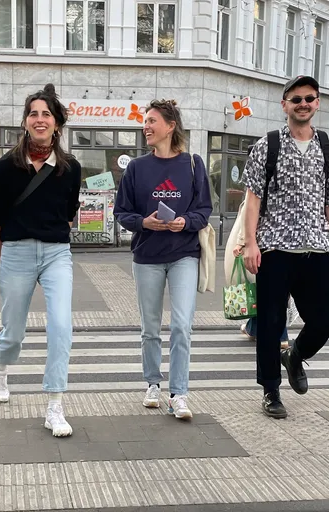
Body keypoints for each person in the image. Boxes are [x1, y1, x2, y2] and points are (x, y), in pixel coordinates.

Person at [239, 75, 329, 419]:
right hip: (274, 249)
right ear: (284, 104)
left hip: (317, 247)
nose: (303, 104)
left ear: (317, 104)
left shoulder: (327, 147)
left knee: (326, 319)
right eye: (296, 99)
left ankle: (296, 355)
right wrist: (251, 243)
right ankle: (271, 390)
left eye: (309, 98)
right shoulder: (267, 145)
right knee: (270, 322)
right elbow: (253, 199)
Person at [0, 84, 82, 437]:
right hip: (17, 252)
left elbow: (69, 213)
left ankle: (55, 406)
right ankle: (0, 366)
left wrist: (50, 235)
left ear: (57, 124)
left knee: (61, 326)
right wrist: (7, 251)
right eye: (33, 114)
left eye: (46, 114)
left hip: (56, 253)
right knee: (14, 330)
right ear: (25, 122)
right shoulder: (7, 166)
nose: (39, 120)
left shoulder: (70, 168)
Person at [113, 99, 212, 420]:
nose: (147, 126)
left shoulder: (193, 165)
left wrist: (186, 222)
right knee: (150, 328)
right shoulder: (137, 169)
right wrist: (145, 222)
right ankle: (153, 384)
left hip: (184, 254)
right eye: (145, 121)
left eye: (152, 121)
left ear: (171, 126)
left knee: (182, 326)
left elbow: (204, 210)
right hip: (147, 256)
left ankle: (179, 393)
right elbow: (121, 213)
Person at [227, 197, 292, 349]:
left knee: (266, 290)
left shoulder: (260, 185)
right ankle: (253, 328)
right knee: (268, 290)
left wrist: (241, 242)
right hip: (286, 245)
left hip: (264, 245)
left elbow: (248, 213)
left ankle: (281, 335)